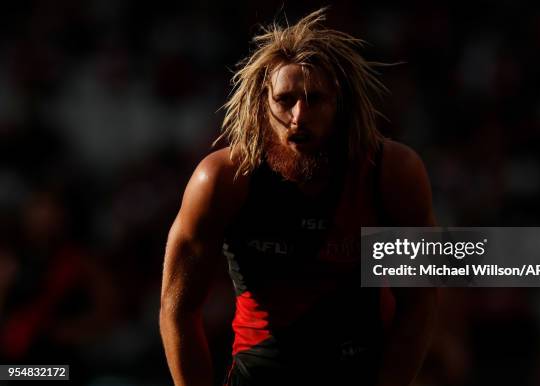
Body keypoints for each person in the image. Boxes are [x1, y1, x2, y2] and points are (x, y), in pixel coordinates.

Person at [160, 8, 438, 386]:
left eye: (314, 99)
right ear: (263, 102)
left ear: (340, 102)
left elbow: (420, 302)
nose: (298, 116)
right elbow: (177, 310)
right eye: (285, 100)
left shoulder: (393, 172)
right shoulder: (223, 179)